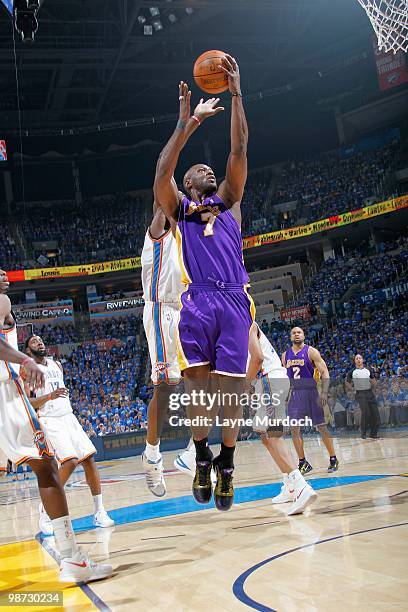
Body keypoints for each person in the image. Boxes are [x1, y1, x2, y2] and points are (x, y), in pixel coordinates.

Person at [154, 56, 253, 511]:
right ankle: (200, 454)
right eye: (198, 170)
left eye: (208, 170)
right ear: (187, 182)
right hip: (196, 304)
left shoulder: (229, 201)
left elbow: (239, 151)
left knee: (231, 393)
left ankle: (227, 462)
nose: (207, 171)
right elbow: (161, 170)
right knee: (197, 392)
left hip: (232, 301)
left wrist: (236, 95)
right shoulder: (178, 209)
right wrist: (187, 122)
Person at [0, 275, 111, 583]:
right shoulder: (2, 303)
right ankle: (71, 558)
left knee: (55, 465)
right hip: (8, 396)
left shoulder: (7, 306)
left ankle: (72, 555)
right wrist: (26, 361)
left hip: (49, 411)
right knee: (50, 467)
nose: (4, 276)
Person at [24, 334, 114, 535]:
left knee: (89, 459)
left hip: (68, 416)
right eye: (33, 341)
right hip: (49, 419)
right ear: (28, 351)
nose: (39, 342)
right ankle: (46, 510)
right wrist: (50, 396)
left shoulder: (57, 365)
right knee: (70, 461)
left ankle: (99, 511)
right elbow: (28, 404)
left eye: (40, 339)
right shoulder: (29, 372)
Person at [140, 202, 192, 495]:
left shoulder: (187, 235)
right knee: (167, 385)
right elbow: (162, 192)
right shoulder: (157, 232)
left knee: (204, 377)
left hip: (188, 309)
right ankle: (151, 454)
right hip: (162, 311)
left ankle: (194, 453)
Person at [248, 323, 317, 515]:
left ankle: (302, 486)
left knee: (274, 434)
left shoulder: (246, 323)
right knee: (264, 435)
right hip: (265, 381)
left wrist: (246, 386)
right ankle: (290, 486)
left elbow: (258, 359)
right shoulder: (232, 329)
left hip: (269, 378)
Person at [282, 327, 339, 474]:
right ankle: (303, 462)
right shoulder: (284, 355)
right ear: (290, 337)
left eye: (299, 332)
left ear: (304, 335)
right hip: (295, 394)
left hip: (312, 393)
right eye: (293, 332)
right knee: (294, 429)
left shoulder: (311, 351)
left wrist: (324, 392)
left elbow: (324, 371)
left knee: (321, 427)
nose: (296, 334)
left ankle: (333, 458)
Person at [346, 354, 380, 439]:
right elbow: (346, 382)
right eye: (356, 358)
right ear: (355, 361)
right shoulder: (352, 371)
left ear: (363, 360)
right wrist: (353, 389)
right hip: (360, 393)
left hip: (369, 393)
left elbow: (373, 381)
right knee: (366, 413)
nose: (358, 360)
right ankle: (363, 433)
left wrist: (374, 388)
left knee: (375, 414)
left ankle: (373, 434)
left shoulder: (368, 370)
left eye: (360, 358)